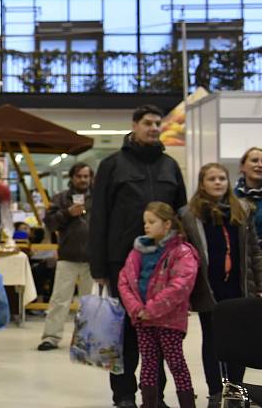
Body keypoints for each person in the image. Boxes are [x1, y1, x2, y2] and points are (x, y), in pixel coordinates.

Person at [89, 104, 188, 408]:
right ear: (134, 125)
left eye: (158, 123)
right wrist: (99, 265)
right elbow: (99, 217)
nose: (154, 128)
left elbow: (181, 214)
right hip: (122, 262)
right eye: (148, 123)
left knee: (158, 333)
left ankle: (153, 396)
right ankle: (123, 394)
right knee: (124, 334)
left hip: (164, 265)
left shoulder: (170, 166)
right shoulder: (112, 165)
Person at [181, 163, 262, 408]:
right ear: (202, 183)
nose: (218, 183)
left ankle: (235, 390)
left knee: (238, 342)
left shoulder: (243, 209)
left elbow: (253, 250)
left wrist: (259, 283)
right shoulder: (189, 214)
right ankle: (216, 391)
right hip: (209, 288)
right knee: (213, 340)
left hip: (238, 288)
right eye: (212, 179)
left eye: (222, 178)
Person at [118, 202, 199, 408]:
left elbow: (180, 285)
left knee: (176, 364)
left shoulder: (182, 252)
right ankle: (148, 404)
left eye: (152, 222)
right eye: (145, 222)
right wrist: (137, 309)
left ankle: (187, 403)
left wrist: (151, 309)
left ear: (167, 224)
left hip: (169, 321)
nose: (146, 226)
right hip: (143, 321)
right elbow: (125, 280)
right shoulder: (138, 251)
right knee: (148, 365)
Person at [38, 163, 94, 351]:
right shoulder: (60, 198)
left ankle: (86, 339)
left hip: (92, 258)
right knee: (59, 299)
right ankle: (51, 337)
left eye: (86, 176)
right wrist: (67, 213)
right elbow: (50, 223)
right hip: (67, 256)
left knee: (90, 301)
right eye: (79, 176)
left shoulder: (99, 198)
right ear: (72, 177)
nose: (83, 180)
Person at [234, 147, 262, 243]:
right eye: (254, 161)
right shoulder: (231, 199)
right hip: (242, 254)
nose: (260, 165)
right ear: (242, 167)